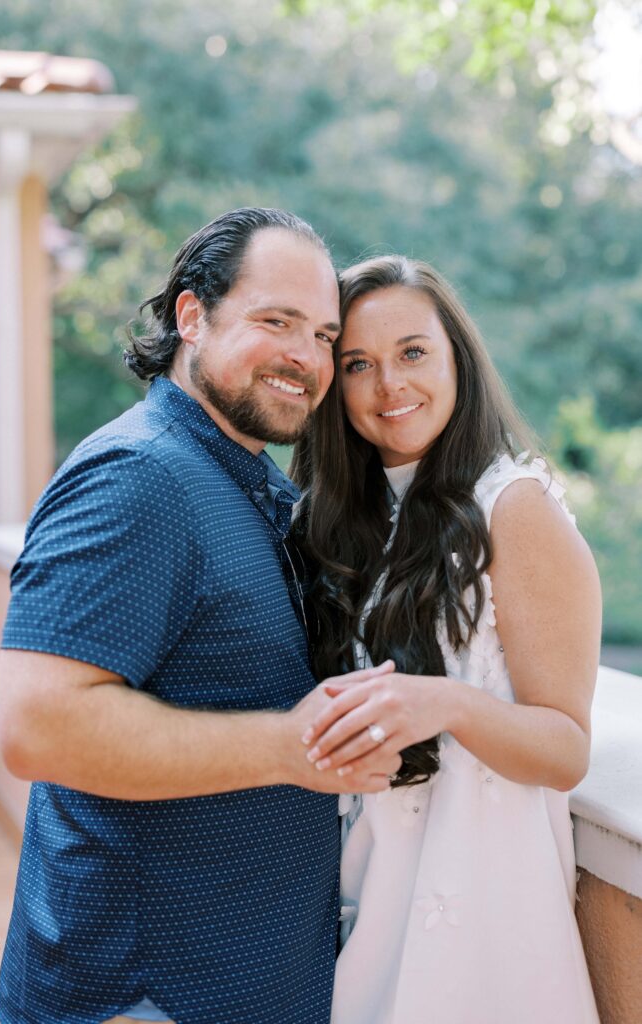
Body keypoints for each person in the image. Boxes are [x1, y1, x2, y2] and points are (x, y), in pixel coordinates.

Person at [0, 209, 401, 1024]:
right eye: (275, 321)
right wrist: (290, 749)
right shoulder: (138, 478)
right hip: (142, 997)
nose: (305, 357)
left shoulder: (247, 481)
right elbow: (36, 724)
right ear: (191, 316)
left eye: (322, 335)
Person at [291, 255, 602, 1023]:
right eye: (358, 364)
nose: (389, 385)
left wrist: (445, 704)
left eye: (412, 353)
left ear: (457, 356)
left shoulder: (513, 505)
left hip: (483, 909)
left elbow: (564, 749)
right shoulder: (346, 520)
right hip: (370, 886)